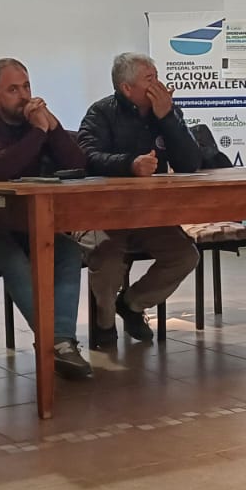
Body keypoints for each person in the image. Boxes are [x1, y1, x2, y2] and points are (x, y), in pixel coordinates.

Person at [0, 58, 91, 380]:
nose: (24, 95)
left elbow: (78, 165)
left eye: (27, 86)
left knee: (68, 252)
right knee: (16, 261)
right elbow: (3, 168)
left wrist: (53, 128)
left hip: (23, 222)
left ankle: (61, 341)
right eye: (13, 89)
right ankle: (55, 342)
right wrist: (39, 131)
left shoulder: (35, 121)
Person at [76, 53, 200, 344]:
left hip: (149, 212)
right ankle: (104, 322)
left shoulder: (166, 111)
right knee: (107, 258)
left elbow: (190, 163)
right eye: (150, 79)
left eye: (157, 76)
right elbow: (86, 157)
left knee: (184, 256)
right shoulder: (101, 112)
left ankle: (132, 304)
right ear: (126, 88)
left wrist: (168, 118)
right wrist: (129, 164)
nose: (159, 84)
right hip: (103, 212)